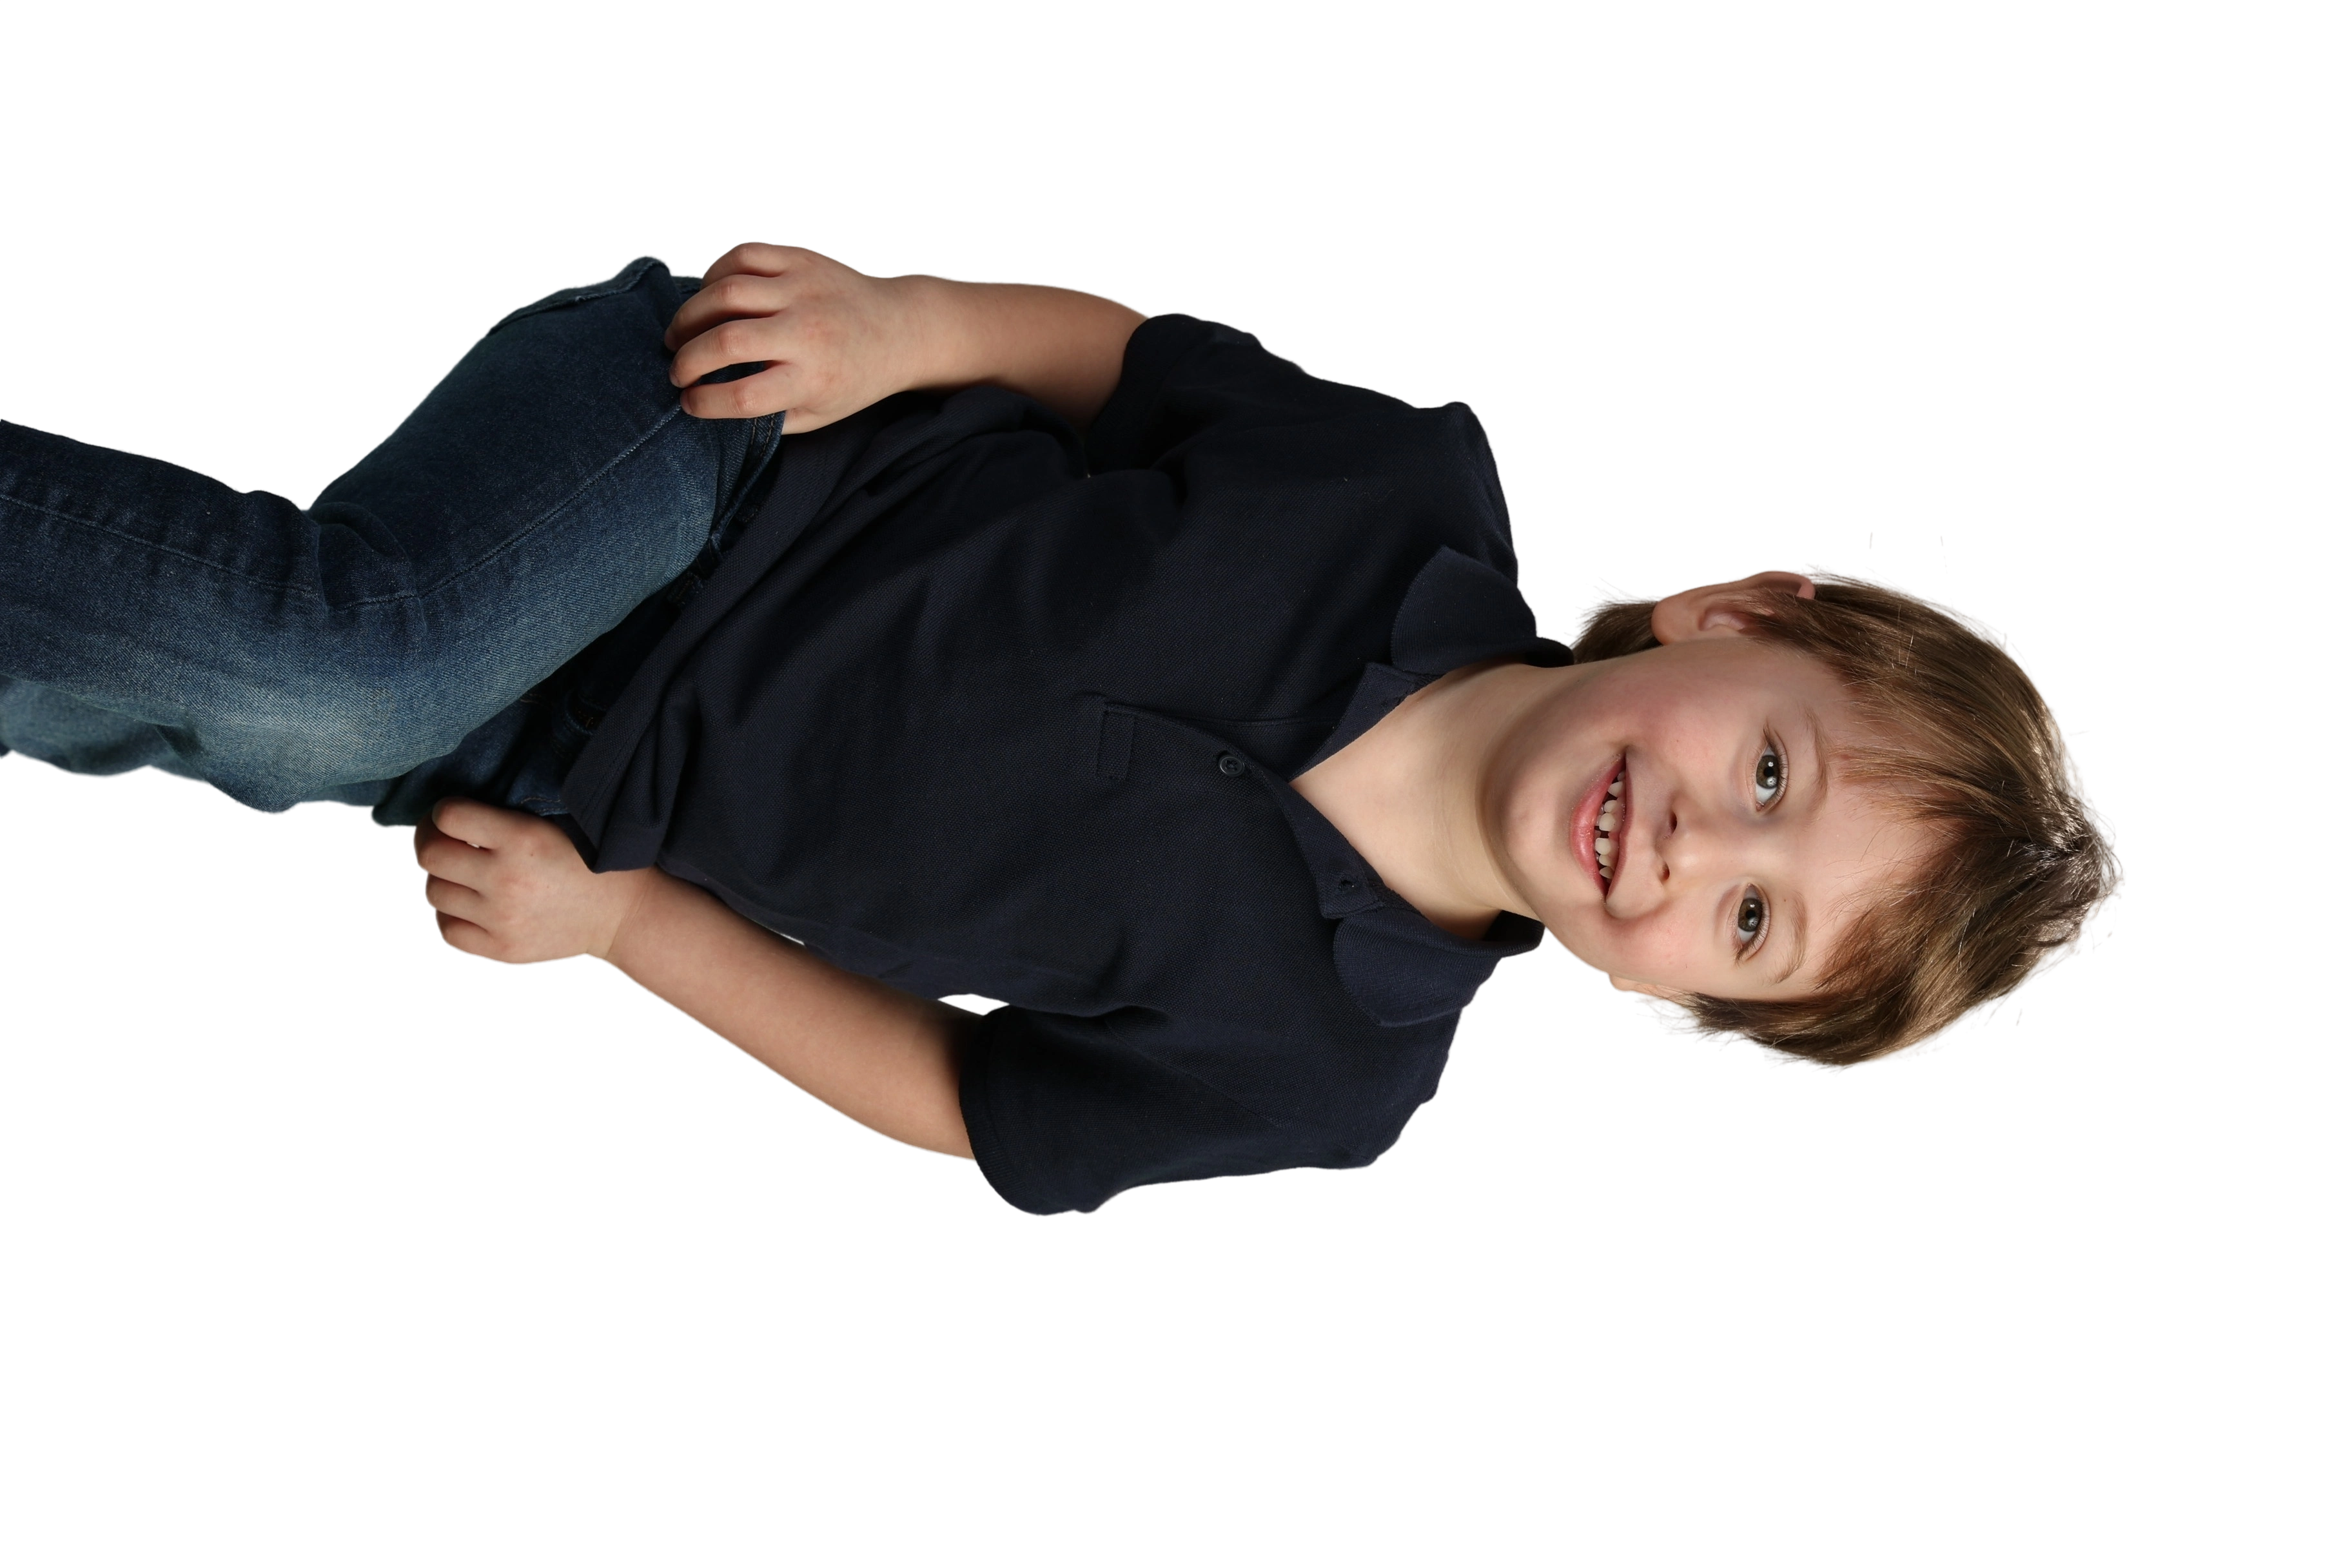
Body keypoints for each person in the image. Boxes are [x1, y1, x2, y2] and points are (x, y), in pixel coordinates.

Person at [0, 242, 2128, 1217]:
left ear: (1687, 1006)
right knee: (337, 672)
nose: (1695, 848)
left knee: (275, 722)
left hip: (583, 780)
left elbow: (963, 1096)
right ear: (1736, 617)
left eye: (1752, 920)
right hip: (723, 451)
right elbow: (1134, 366)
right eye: (1771, 774)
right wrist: (902, 324)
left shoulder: (1332, 1068)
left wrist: (625, 926)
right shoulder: (1405, 497)